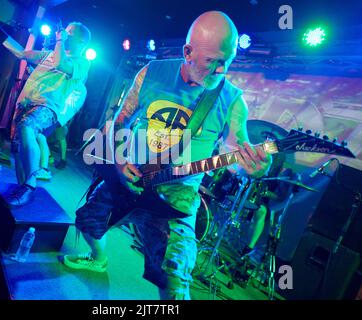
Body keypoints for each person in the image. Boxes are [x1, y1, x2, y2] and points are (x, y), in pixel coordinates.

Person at [63, 11, 272, 300]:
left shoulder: (232, 100)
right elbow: (117, 125)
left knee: (174, 280)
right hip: (132, 177)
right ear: (188, 52)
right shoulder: (151, 73)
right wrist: (121, 160)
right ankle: (98, 258)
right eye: (212, 61)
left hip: (177, 195)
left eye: (228, 60)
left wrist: (252, 167)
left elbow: (237, 153)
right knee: (87, 221)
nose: (222, 70)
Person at [0, 13, 91, 206]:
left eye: (69, 33)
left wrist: (59, 40)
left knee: (28, 125)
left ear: (81, 42)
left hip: (47, 108)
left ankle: (30, 184)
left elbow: (60, 63)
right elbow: (21, 52)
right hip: (25, 105)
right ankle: (24, 190)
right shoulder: (49, 55)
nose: (64, 34)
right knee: (17, 149)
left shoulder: (82, 63)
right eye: (65, 32)